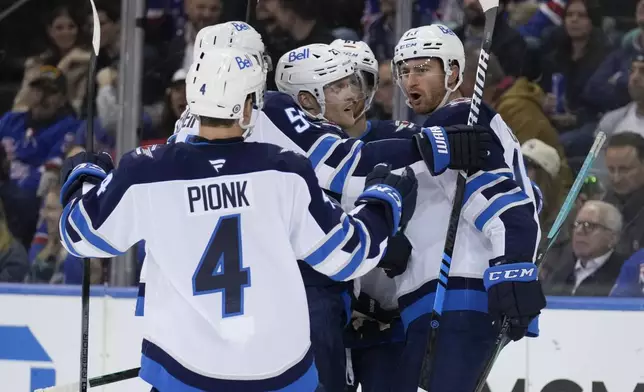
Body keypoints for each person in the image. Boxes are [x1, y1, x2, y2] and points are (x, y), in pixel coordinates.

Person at [57, 47, 419, 391]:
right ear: (248, 108)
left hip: (183, 370)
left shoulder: (146, 171)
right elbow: (347, 255)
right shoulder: (284, 170)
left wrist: (84, 176)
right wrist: (382, 202)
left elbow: (79, 234)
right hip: (279, 373)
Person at [171, 23, 499, 392]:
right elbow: (341, 169)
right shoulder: (267, 109)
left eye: (351, 82)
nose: (351, 94)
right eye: (336, 86)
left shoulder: (180, 137)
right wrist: (428, 153)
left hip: (199, 306)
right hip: (299, 297)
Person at [390, 24, 546, 391]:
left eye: (423, 68)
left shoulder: (459, 119)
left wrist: (513, 271)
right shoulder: (456, 124)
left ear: (454, 73)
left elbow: (509, 207)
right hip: (447, 304)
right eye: (405, 70)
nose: (411, 79)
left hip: (456, 301)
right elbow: (531, 194)